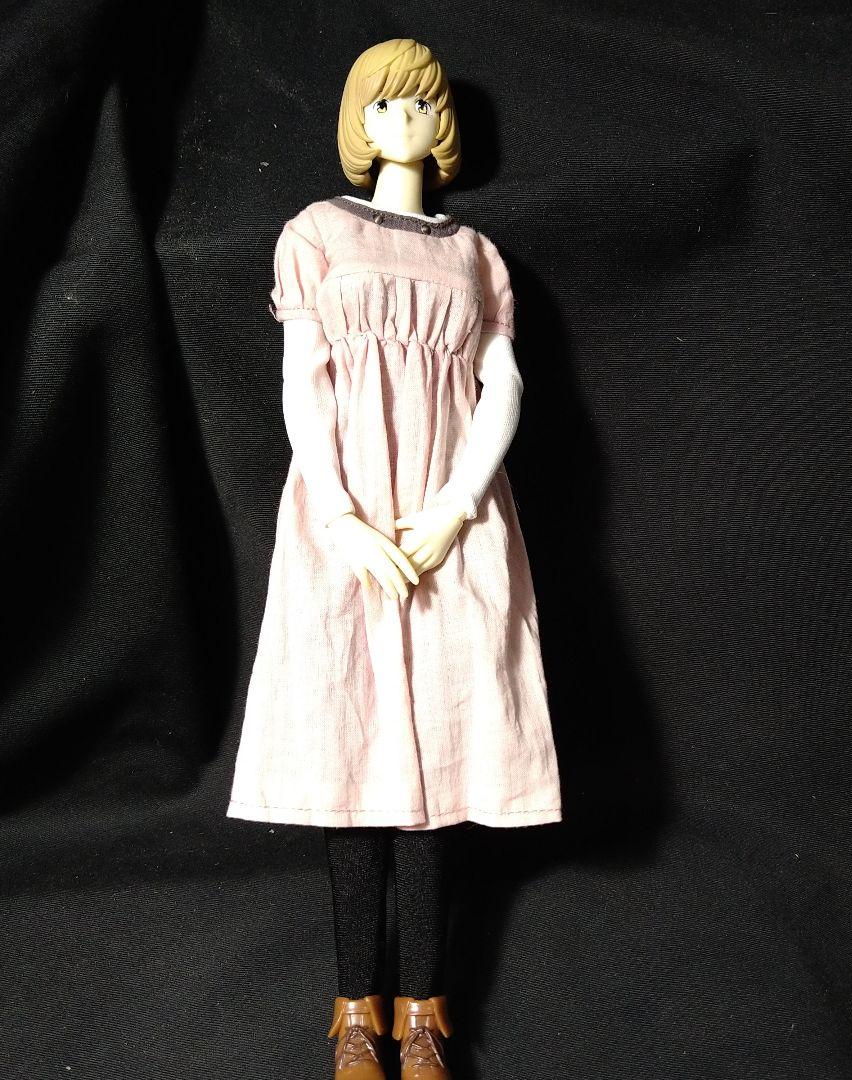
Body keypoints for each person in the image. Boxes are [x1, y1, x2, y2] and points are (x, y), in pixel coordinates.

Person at [226, 38, 563, 1080]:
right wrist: (339, 515)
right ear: (359, 121)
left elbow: (502, 388)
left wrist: (458, 505)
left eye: (419, 102)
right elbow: (304, 383)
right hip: (351, 519)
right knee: (353, 754)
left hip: (446, 525)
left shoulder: (477, 258)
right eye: (382, 104)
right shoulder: (316, 235)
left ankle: (424, 1012)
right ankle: (354, 1014)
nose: (402, 119)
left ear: (441, 122)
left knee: (437, 767)